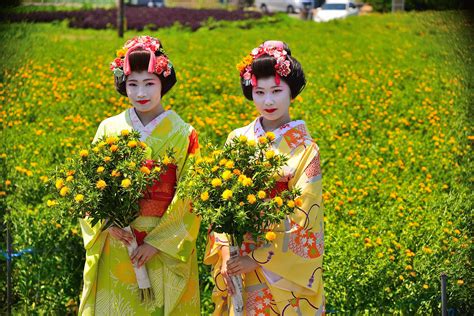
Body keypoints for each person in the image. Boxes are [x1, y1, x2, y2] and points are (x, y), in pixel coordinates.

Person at [78, 35, 201, 315]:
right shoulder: (108, 128)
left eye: (149, 83)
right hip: (118, 239)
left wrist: (158, 243)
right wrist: (108, 223)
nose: (141, 92)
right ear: (124, 85)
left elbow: (190, 190)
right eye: (133, 84)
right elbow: (90, 186)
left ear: (163, 84)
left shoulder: (184, 133)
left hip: (162, 246)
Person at [204, 41, 325, 315]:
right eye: (259, 92)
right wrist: (226, 252)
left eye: (276, 91)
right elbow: (220, 204)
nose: (268, 101)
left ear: (291, 92)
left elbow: (306, 215)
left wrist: (257, 258)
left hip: (278, 266)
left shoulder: (306, 149)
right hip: (237, 256)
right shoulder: (237, 139)